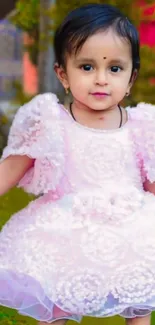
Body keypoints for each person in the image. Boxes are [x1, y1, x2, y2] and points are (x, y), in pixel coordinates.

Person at [0, 3, 155, 325]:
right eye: (86, 67)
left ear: (130, 78)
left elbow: (152, 184)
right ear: (63, 74)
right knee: (56, 303)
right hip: (66, 233)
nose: (100, 79)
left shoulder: (142, 125)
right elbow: (9, 172)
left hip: (132, 235)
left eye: (114, 68)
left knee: (140, 300)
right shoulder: (50, 122)